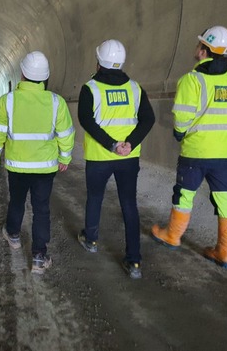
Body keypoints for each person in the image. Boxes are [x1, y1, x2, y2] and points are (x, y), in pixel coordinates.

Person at [151, 26, 227, 269]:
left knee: (184, 194)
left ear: (205, 51)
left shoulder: (192, 80)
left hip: (196, 152)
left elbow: (181, 118)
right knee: (225, 201)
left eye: (200, 44)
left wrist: (180, 134)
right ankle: (225, 253)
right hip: (224, 153)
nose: (196, 47)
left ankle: (172, 236)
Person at [0, 51, 75, 274]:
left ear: (22, 74)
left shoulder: (8, 101)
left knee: (17, 200)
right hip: (45, 168)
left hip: (17, 166)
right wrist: (65, 157)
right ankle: (39, 258)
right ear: (46, 76)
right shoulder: (56, 102)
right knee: (41, 209)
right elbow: (66, 134)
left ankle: (13, 235)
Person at [77, 39, 155, 279]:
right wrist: (129, 143)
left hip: (100, 157)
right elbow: (148, 119)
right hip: (128, 158)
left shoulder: (90, 88)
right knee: (129, 204)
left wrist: (111, 145)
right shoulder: (135, 88)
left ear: (98, 61)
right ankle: (134, 262)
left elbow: (86, 121)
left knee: (95, 197)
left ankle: (90, 239)